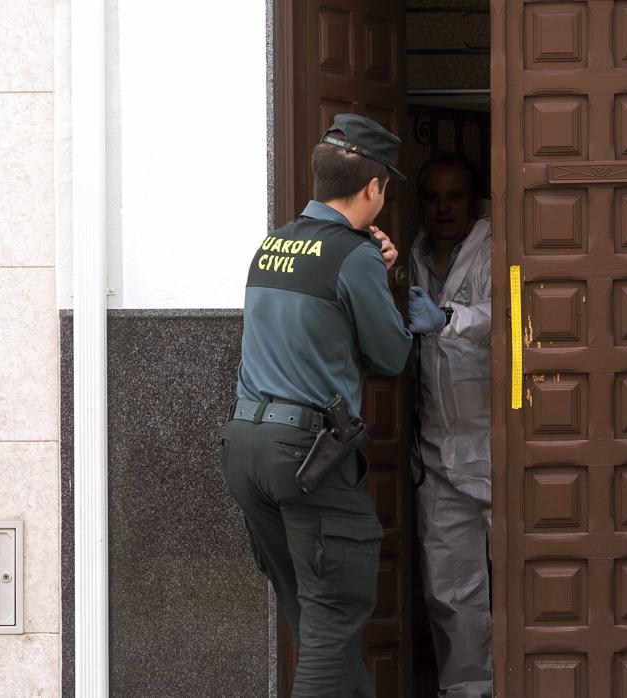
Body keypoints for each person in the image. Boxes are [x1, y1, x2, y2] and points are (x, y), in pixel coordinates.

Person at [220, 114, 447, 698]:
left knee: (318, 621)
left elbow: (312, 326)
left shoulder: (274, 243)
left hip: (247, 446)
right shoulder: (355, 255)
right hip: (306, 457)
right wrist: (397, 295)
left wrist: (376, 273)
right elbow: (389, 354)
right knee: (332, 620)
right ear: (374, 187)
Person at [407, 154, 493, 698]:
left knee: (536, 579)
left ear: (474, 199)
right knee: (451, 590)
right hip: (438, 453)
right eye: (434, 197)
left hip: (501, 446)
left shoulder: (498, 245)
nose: (443, 207)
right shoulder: (408, 254)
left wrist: (452, 321)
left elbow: (518, 310)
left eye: (455, 196)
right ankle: (469, 693)